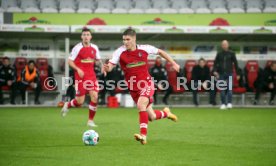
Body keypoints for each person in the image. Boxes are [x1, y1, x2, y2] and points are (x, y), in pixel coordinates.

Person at [104, 29, 179, 145]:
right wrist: (107, 68)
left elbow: (160, 52)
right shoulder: (120, 51)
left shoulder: (145, 48)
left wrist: (173, 63)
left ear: (134, 39)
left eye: (128, 39)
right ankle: (166, 113)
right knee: (152, 116)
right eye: (124, 40)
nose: (125, 42)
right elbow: (111, 65)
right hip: (133, 88)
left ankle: (143, 136)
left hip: (147, 84)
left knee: (140, 105)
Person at [61, 28, 103, 127]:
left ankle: (90, 121)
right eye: (84, 35)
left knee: (95, 96)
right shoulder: (77, 48)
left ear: (91, 37)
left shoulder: (95, 48)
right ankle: (68, 104)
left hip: (91, 76)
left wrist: (102, 67)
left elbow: (98, 60)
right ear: (81, 37)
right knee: (79, 102)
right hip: (80, 78)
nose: (86, 37)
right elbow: (69, 61)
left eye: (88, 35)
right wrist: (78, 69)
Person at [213, 40, 238, 110]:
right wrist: (215, 71)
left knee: (230, 88)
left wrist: (238, 73)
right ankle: (223, 104)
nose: (224, 46)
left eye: (225, 44)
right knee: (222, 89)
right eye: (223, 44)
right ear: (221, 46)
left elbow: (236, 63)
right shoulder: (219, 54)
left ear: (228, 45)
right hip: (221, 74)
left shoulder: (232, 53)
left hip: (230, 73)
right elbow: (215, 63)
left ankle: (229, 103)